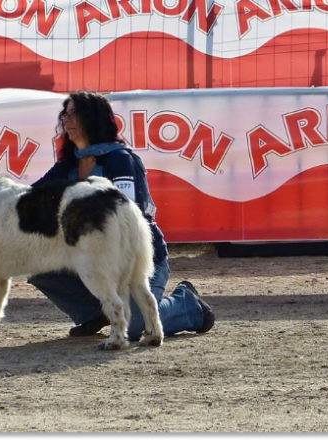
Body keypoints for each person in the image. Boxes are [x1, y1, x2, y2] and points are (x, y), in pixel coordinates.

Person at [27, 91, 215, 341]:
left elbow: (124, 215)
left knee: (136, 329)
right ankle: (95, 312)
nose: (66, 120)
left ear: (92, 119)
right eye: (65, 114)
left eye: (73, 114)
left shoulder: (120, 160)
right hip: (93, 256)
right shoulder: (69, 164)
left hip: (136, 257)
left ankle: (187, 305)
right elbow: (30, 198)